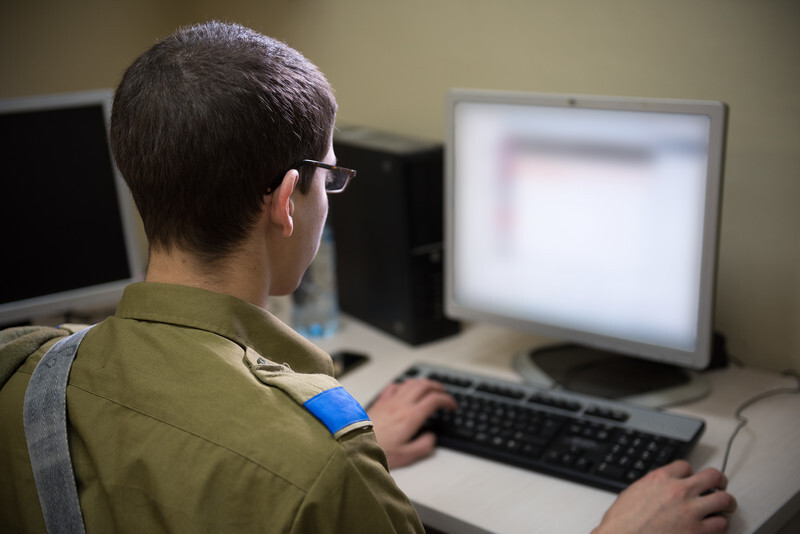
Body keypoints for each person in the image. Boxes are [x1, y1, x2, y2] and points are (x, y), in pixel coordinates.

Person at [0, 21, 735, 533]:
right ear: (288, 202)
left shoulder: (21, 369)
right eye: (330, 175)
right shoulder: (319, 460)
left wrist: (347, 447)